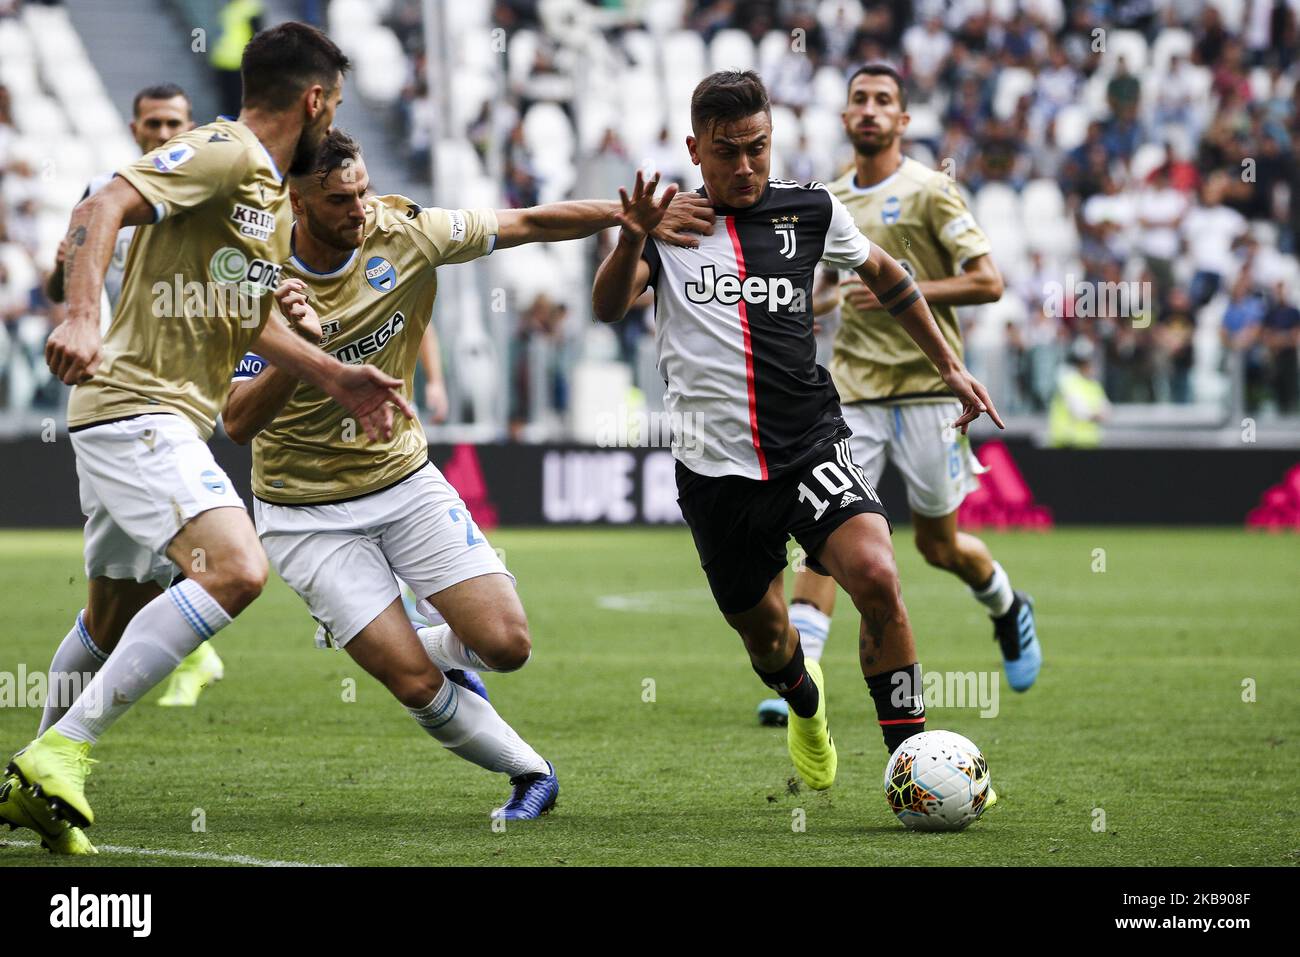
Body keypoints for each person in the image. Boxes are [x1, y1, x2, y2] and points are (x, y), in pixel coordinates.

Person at [0, 22, 412, 856]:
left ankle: (25, 787)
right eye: (333, 103)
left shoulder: (254, 187)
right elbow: (98, 203)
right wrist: (82, 312)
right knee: (236, 566)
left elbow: (244, 309)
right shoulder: (225, 152)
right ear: (316, 98)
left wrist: (336, 374)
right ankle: (62, 751)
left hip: (147, 415)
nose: (334, 120)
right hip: (137, 408)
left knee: (110, 615)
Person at [220, 129, 713, 819]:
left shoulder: (406, 230)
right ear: (295, 200)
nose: (360, 209)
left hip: (403, 479)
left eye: (362, 190)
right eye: (339, 199)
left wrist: (625, 217)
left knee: (507, 646)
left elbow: (530, 223)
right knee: (413, 680)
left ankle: (385, 630)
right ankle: (531, 771)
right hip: (303, 511)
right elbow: (239, 422)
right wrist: (299, 351)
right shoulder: (255, 270)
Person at [591, 70, 1004, 796]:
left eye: (758, 147)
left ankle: (910, 765)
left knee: (877, 573)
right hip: (714, 473)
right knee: (770, 640)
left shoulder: (811, 211)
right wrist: (632, 238)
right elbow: (607, 307)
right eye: (726, 152)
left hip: (808, 445)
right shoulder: (672, 224)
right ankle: (805, 705)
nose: (746, 166)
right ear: (695, 148)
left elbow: (889, 275)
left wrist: (948, 366)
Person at [765, 64, 1042, 727]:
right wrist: (818, 302)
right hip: (852, 394)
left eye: (883, 101)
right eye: (858, 98)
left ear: (903, 120)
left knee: (938, 547)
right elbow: (830, 291)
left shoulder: (932, 191)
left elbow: (988, 283)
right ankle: (798, 682)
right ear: (844, 116)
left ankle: (1007, 604)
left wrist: (906, 287)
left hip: (927, 393)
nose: (869, 109)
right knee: (825, 537)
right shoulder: (827, 199)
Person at [45, 83, 230, 709]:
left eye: (172, 122)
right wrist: (68, 285)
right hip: (122, 395)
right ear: (134, 128)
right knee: (203, 568)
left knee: (127, 592)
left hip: (173, 398)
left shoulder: (205, 192)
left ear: (190, 125)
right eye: (151, 123)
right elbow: (64, 267)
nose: (160, 133)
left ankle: (46, 753)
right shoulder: (107, 190)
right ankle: (190, 645)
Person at [1048, 338, 1110, 448]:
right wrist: (1096, 415)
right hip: (1067, 443)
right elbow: (1079, 411)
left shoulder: (1094, 385)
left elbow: (1106, 410)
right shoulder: (1068, 381)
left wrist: (1099, 414)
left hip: (1089, 443)